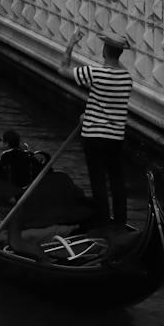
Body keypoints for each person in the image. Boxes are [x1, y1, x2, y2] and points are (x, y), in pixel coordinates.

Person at [62, 29, 135, 228]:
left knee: (98, 180)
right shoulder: (127, 79)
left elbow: (64, 70)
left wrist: (70, 44)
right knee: (117, 180)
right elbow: (109, 100)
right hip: (115, 137)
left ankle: (102, 222)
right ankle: (120, 223)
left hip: (93, 135)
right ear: (119, 54)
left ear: (104, 50)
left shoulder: (95, 73)